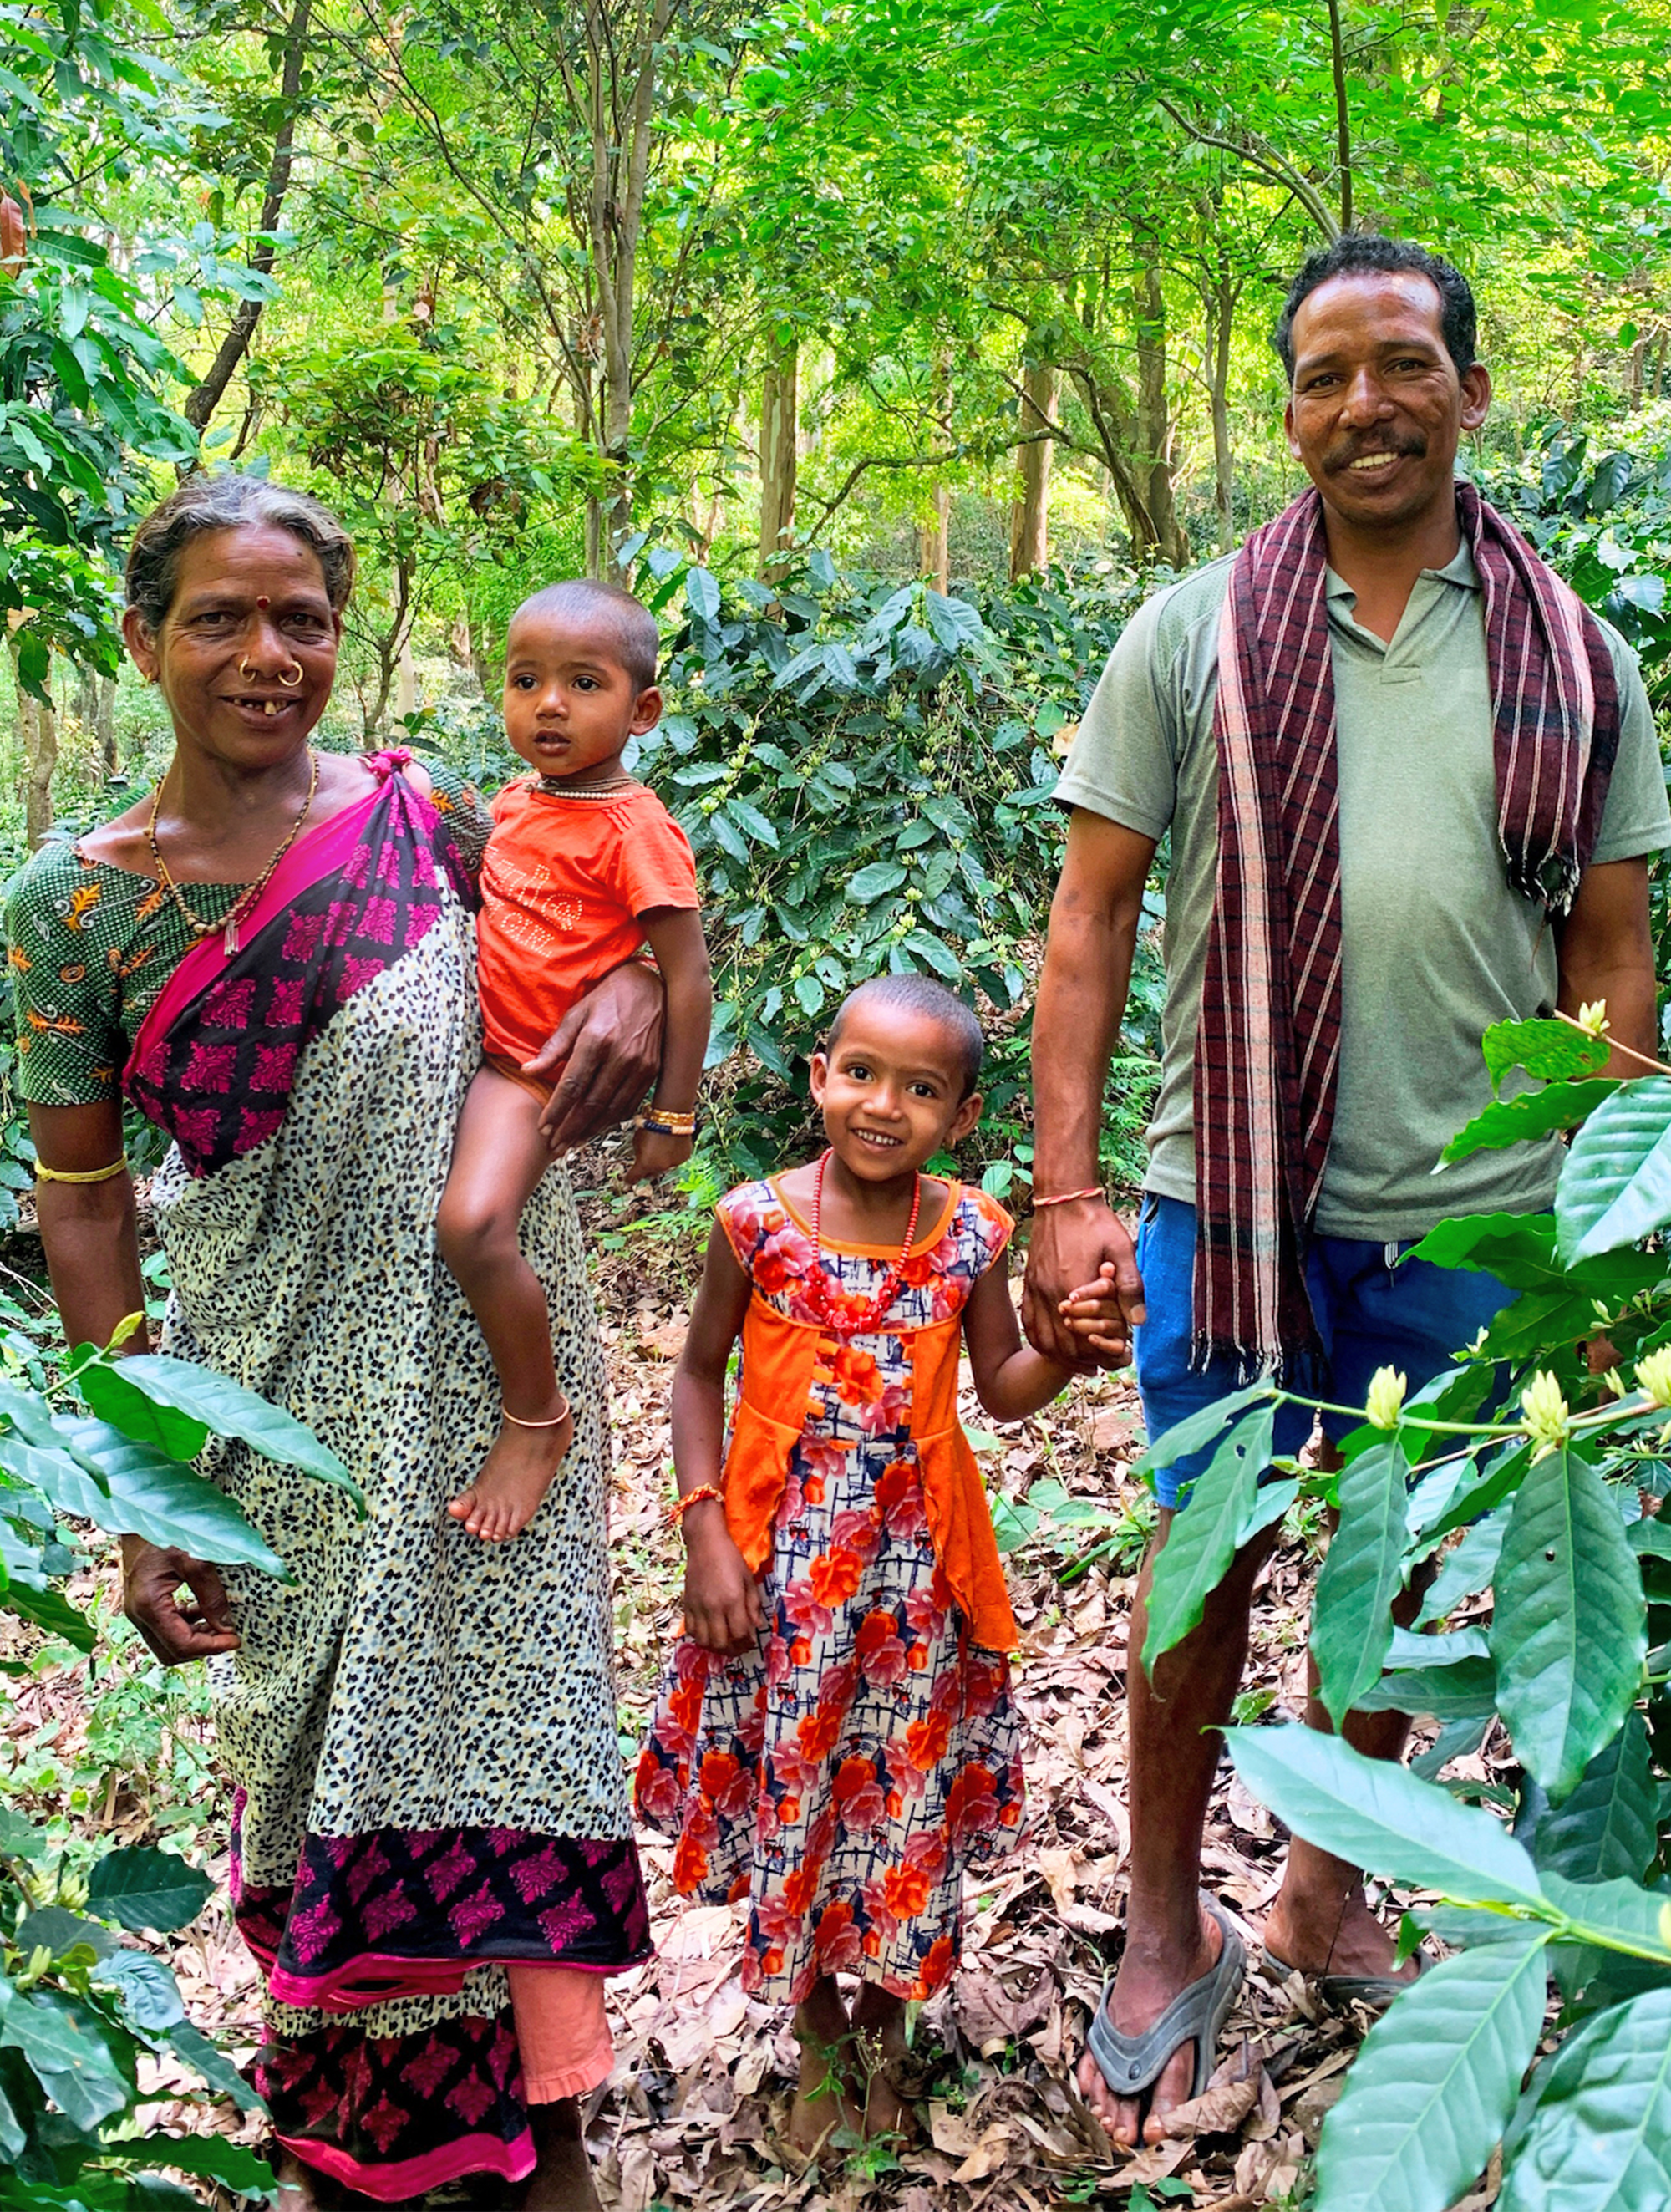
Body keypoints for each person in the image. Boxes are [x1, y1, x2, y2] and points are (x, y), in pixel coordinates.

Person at [1023, 233, 1671, 2147]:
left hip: (1473, 1222)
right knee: (1197, 1560)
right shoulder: (1184, 638)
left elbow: (1613, 953)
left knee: (1391, 1581)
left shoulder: (1573, 656)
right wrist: (1062, 1196)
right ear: (1286, 407)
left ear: (1468, 391)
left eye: (1400, 366)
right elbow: (1083, 929)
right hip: (1216, 1205)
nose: (1361, 403)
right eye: (1321, 373)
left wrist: (1604, 1223)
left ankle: (1315, 1880)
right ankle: (1163, 1919)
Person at [7, 473, 668, 2212]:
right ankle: (362, 2164)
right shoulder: (69, 910)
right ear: (143, 641)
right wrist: (147, 1486)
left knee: (512, 1779)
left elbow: (599, 973)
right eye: (217, 617)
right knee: (319, 1800)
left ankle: (549, 2156)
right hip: (271, 1424)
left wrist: (633, 1003)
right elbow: (85, 1205)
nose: (265, 654)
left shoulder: (433, 817)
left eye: (300, 617)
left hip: (486, 1411)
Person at [633, 975, 1115, 2157]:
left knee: (901, 1798)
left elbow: (1000, 1388)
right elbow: (699, 1373)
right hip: (779, 1582)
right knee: (798, 1794)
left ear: (961, 1110)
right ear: (818, 1076)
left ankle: (890, 2034)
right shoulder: (755, 1223)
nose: (883, 1104)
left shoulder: (970, 1233)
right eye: (861, 1072)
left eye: (920, 1086)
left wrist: (1065, 1349)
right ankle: (818, 2041)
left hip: (916, 1593)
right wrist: (703, 1532)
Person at [438, 580, 711, 1541]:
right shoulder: (513, 801)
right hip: (483, 1057)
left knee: (471, 1227)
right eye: (525, 680)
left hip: (529, 1074)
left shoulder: (635, 829)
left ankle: (536, 1415)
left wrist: (671, 1118)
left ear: (641, 711)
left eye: (582, 682)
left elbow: (687, 978)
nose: (548, 703)